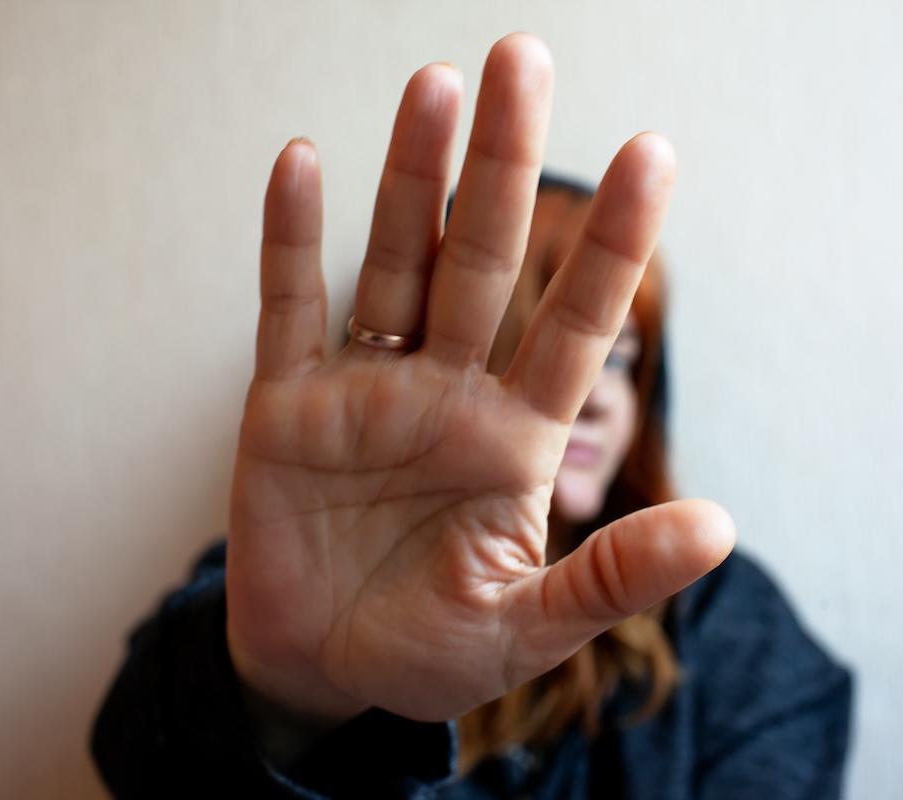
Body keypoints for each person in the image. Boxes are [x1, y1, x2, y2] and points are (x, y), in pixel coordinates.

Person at [91, 33, 852, 799]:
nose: (598, 397)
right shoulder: (284, 569)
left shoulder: (730, 631)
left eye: (623, 362)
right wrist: (286, 697)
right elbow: (135, 757)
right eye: (537, 348)